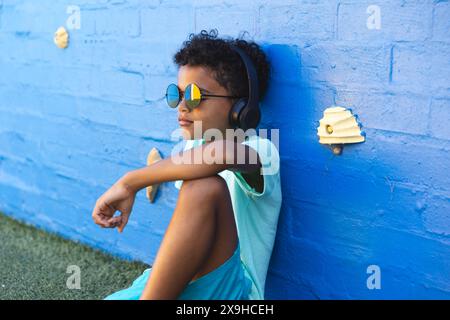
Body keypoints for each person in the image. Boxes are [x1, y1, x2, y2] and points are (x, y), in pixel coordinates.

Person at [91, 29, 282, 300]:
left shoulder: (262, 150)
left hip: (233, 293)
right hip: (172, 286)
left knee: (205, 186)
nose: (182, 106)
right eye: (177, 94)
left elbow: (221, 155)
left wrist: (130, 182)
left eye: (195, 96)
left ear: (240, 108)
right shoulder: (191, 150)